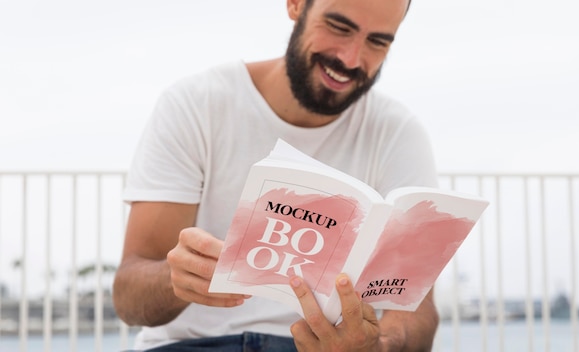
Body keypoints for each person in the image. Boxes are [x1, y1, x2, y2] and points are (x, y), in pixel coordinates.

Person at [113, 0, 440, 350]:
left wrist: (377, 346)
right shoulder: (197, 104)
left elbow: (416, 311)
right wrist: (172, 279)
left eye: (378, 42)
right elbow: (129, 298)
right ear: (296, 5)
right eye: (338, 27)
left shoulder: (398, 133)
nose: (350, 59)